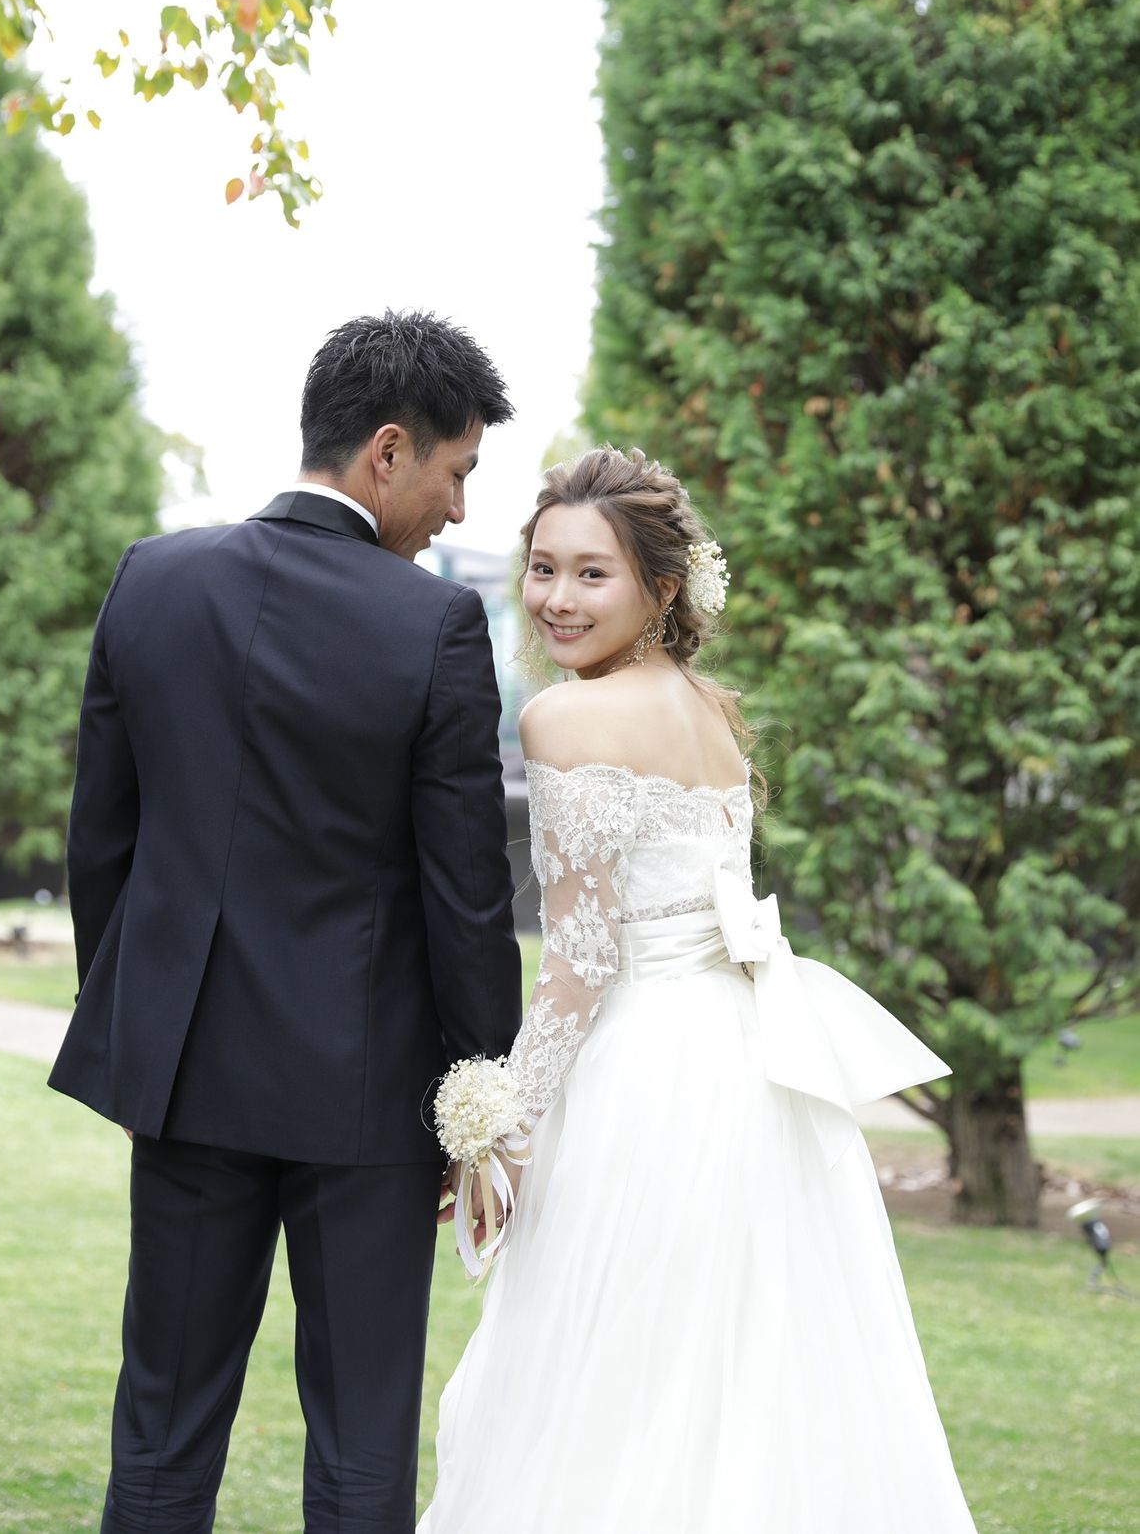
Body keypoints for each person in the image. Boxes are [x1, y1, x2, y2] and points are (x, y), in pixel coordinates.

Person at [420, 445, 978, 1534]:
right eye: (543, 567)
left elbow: (581, 961)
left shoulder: (564, 719)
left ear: (661, 586)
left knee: (607, 1377)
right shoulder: (704, 705)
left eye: (592, 573)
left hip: (643, 1077)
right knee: (742, 1369)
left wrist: (501, 1126)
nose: (556, 597)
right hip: (748, 1069)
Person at [48, 310, 523, 1534]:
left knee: (160, 1432)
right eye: (457, 470)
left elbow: (102, 841)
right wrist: (476, 1093)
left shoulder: (151, 580)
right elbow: (466, 891)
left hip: (188, 1080)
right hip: (365, 1103)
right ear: (386, 450)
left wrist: (146, 1031)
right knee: (362, 1449)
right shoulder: (431, 624)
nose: (458, 508)